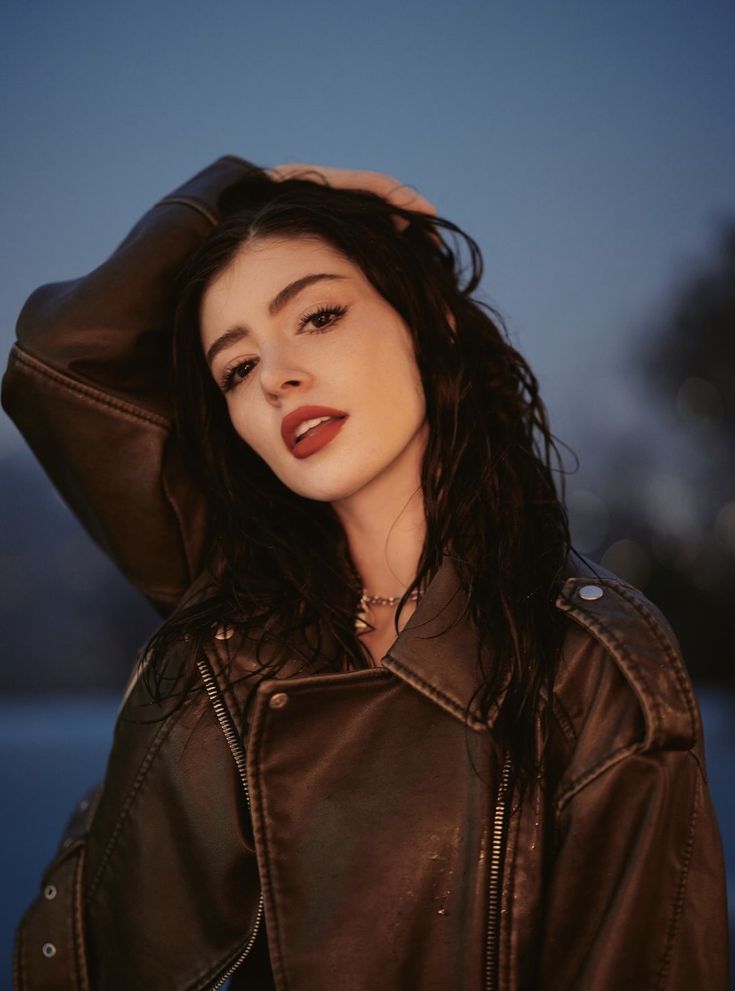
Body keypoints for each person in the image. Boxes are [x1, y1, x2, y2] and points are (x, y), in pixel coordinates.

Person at [4, 156, 729, 990]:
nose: (277, 377)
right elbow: (61, 359)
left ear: (428, 322)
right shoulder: (232, 604)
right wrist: (248, 187)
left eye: (317, 316)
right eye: (237, 368)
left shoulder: (595, 667)